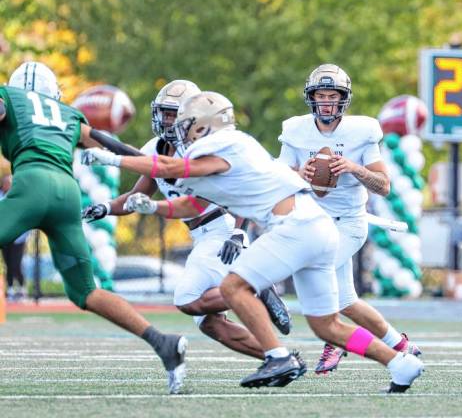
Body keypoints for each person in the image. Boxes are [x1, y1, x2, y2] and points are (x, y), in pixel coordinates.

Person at [82, 91, 425, 391]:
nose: (179, 131)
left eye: (185, 124)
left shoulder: (222, 145)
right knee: (327, 326)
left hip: (296, 227)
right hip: (314, 227)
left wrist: (111, 157)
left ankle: (278, 356)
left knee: (234, 287)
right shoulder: (225, 147)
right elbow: (189, 196)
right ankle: (400, 363)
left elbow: (171, 167)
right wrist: (152, 203)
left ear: (204, 125)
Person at [0, 61, 188, 394]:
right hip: (66, 195)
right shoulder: (68, 114)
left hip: (31, 185)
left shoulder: (9, 97)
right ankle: (163, 342)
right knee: (85, 291)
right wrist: (161, 169)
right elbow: (105, 144)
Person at [82, 79, 291, 360]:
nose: (166, 120)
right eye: (163, 113)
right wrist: (105, 208)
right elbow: (136, 195)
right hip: (200, 236)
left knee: (187, 300)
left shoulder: (202, 147)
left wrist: (239, 234)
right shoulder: (158, 147)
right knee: (210, 323)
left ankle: (255, 287)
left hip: (219, 230)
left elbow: (233, 192)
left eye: (173, 114)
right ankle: (279, 357)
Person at [277, 64, 421, 374]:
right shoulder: (295, 130)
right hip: (313, 222)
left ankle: (335, 339)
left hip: (349, 222)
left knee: (319, 270)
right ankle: (400, 345)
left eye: (333, 96)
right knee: (346, 300)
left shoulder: (362, 131)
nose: (327, 103)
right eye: (321, 96)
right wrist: (298, 174)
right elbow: (277, 176)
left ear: (344, 99)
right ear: (311, 98)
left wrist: (354, 168)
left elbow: (384, 186)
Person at [1, 174, 29, 300]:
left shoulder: (20, 197)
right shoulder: (1, 197)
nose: (9, 185)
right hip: (5, 237)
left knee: (16, 263)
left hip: (18, 238)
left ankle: (22, 287)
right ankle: (11, 289)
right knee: (8, 263)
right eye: (7, 183)